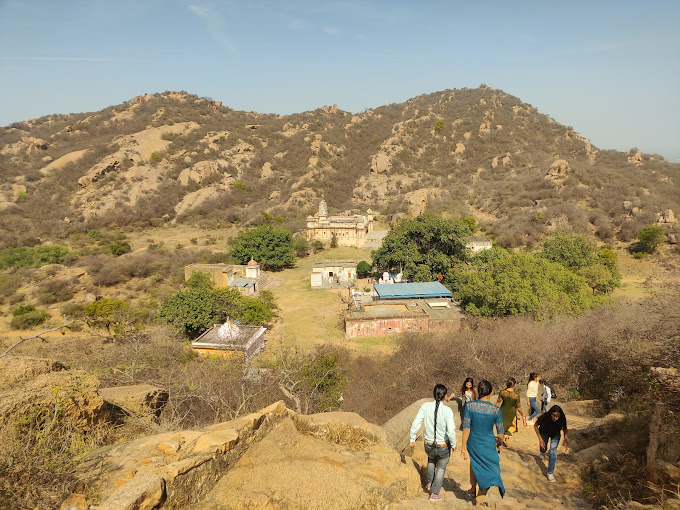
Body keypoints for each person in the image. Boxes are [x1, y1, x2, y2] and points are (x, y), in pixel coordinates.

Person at [461, 379, 505, 506]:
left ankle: (472, 488)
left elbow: (466, 428)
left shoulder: (470, 406)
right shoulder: (496, 410)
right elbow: (500, 433)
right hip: (488, 444)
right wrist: (500, 444)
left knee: (475, 462)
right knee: (492, 471)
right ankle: (479, 501)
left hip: (473, 442)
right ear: (491, 392)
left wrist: (463, 447)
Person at [410, 384, 457, 501]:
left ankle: (429, 483)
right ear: (445, 396)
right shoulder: (447, 410)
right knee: (441, 468)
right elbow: (451, 430)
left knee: (431, 460)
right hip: (443, 445)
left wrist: (412, 438)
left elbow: (416, 422)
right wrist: (454, 444)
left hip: (428, 444)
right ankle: (434, 494)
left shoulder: (425, 406)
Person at [534, 405, 569, 482]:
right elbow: (535, 425)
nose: (555, 418)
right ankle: (542, 452)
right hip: (544, 432)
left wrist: (565, 439)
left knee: (553, 452)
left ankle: (550, 472)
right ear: (550, 413)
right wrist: (540, 439)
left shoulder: (562, 418)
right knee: (543, 448)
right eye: (553, 415)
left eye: (557, 416)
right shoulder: (545, 417)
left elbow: (565, 428)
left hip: (555, 435)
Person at [495, 377, 527, 446]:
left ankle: (503, 440)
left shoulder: (502, 392)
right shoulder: (516, 395)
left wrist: (494, 410)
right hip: (512, 413)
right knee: (512, 427)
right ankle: (506, 436)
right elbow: (518, 407)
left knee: (503, 426)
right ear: (514, 385)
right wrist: (522, 413)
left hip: (503, 411)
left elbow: (498, 403)